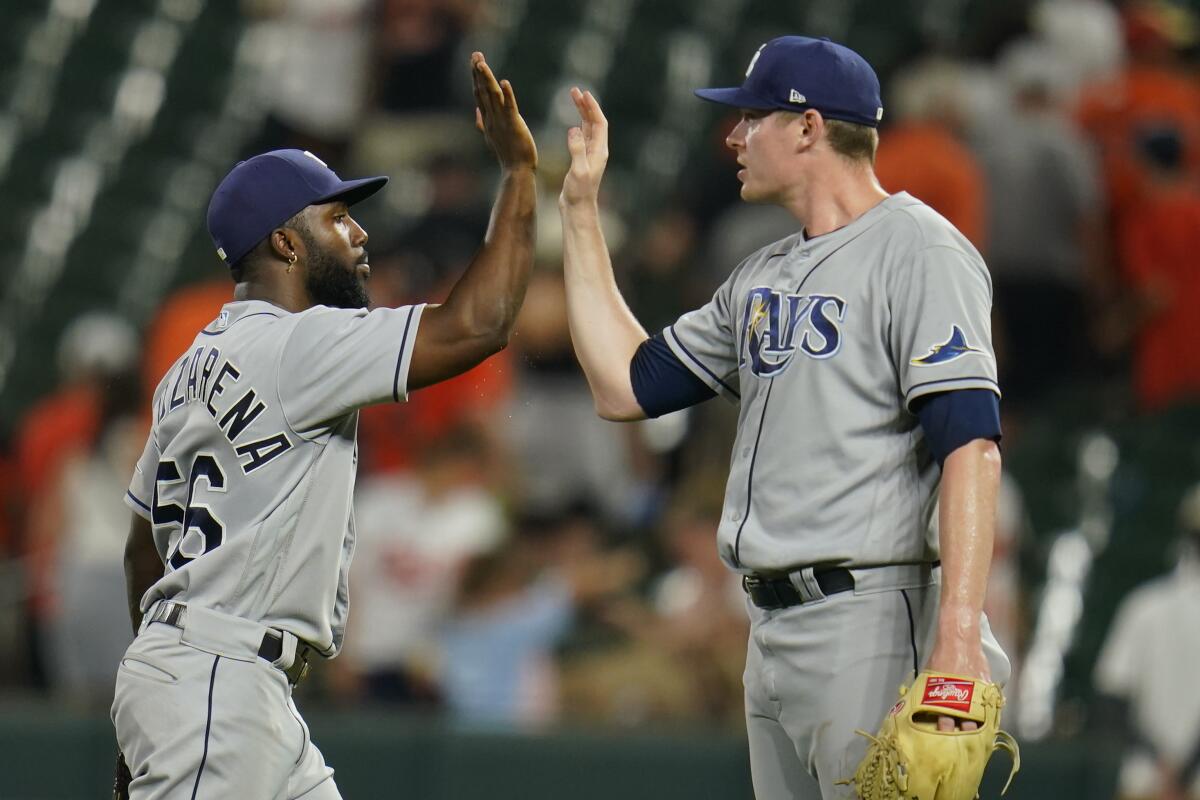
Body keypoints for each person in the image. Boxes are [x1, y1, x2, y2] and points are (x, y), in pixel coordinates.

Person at [558, 36, 1010, 799]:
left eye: (752, 119)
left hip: (872, 616)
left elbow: (971, 445)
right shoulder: (761, 276)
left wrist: (959, 636)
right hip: (769, 628)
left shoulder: (920, 249)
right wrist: (577, 211)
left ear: (807, 128)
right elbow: (625, 386)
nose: (732, 138)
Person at [112, 52, 536, 799]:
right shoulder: (297, 343)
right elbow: (480, 323)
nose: (361, 233)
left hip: (216, 682)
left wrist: (150, 696)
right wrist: (520, 177)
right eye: (337, 218)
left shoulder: (188, 369)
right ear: (284, 241)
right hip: (219, 681)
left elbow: (143, 554)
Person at [1094, 484, 1200, 800]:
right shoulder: (1144, 605)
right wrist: (1184, 770)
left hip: (1145, 781)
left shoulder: (1144, 605)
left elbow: (1111, 702)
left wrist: (1161, 762)